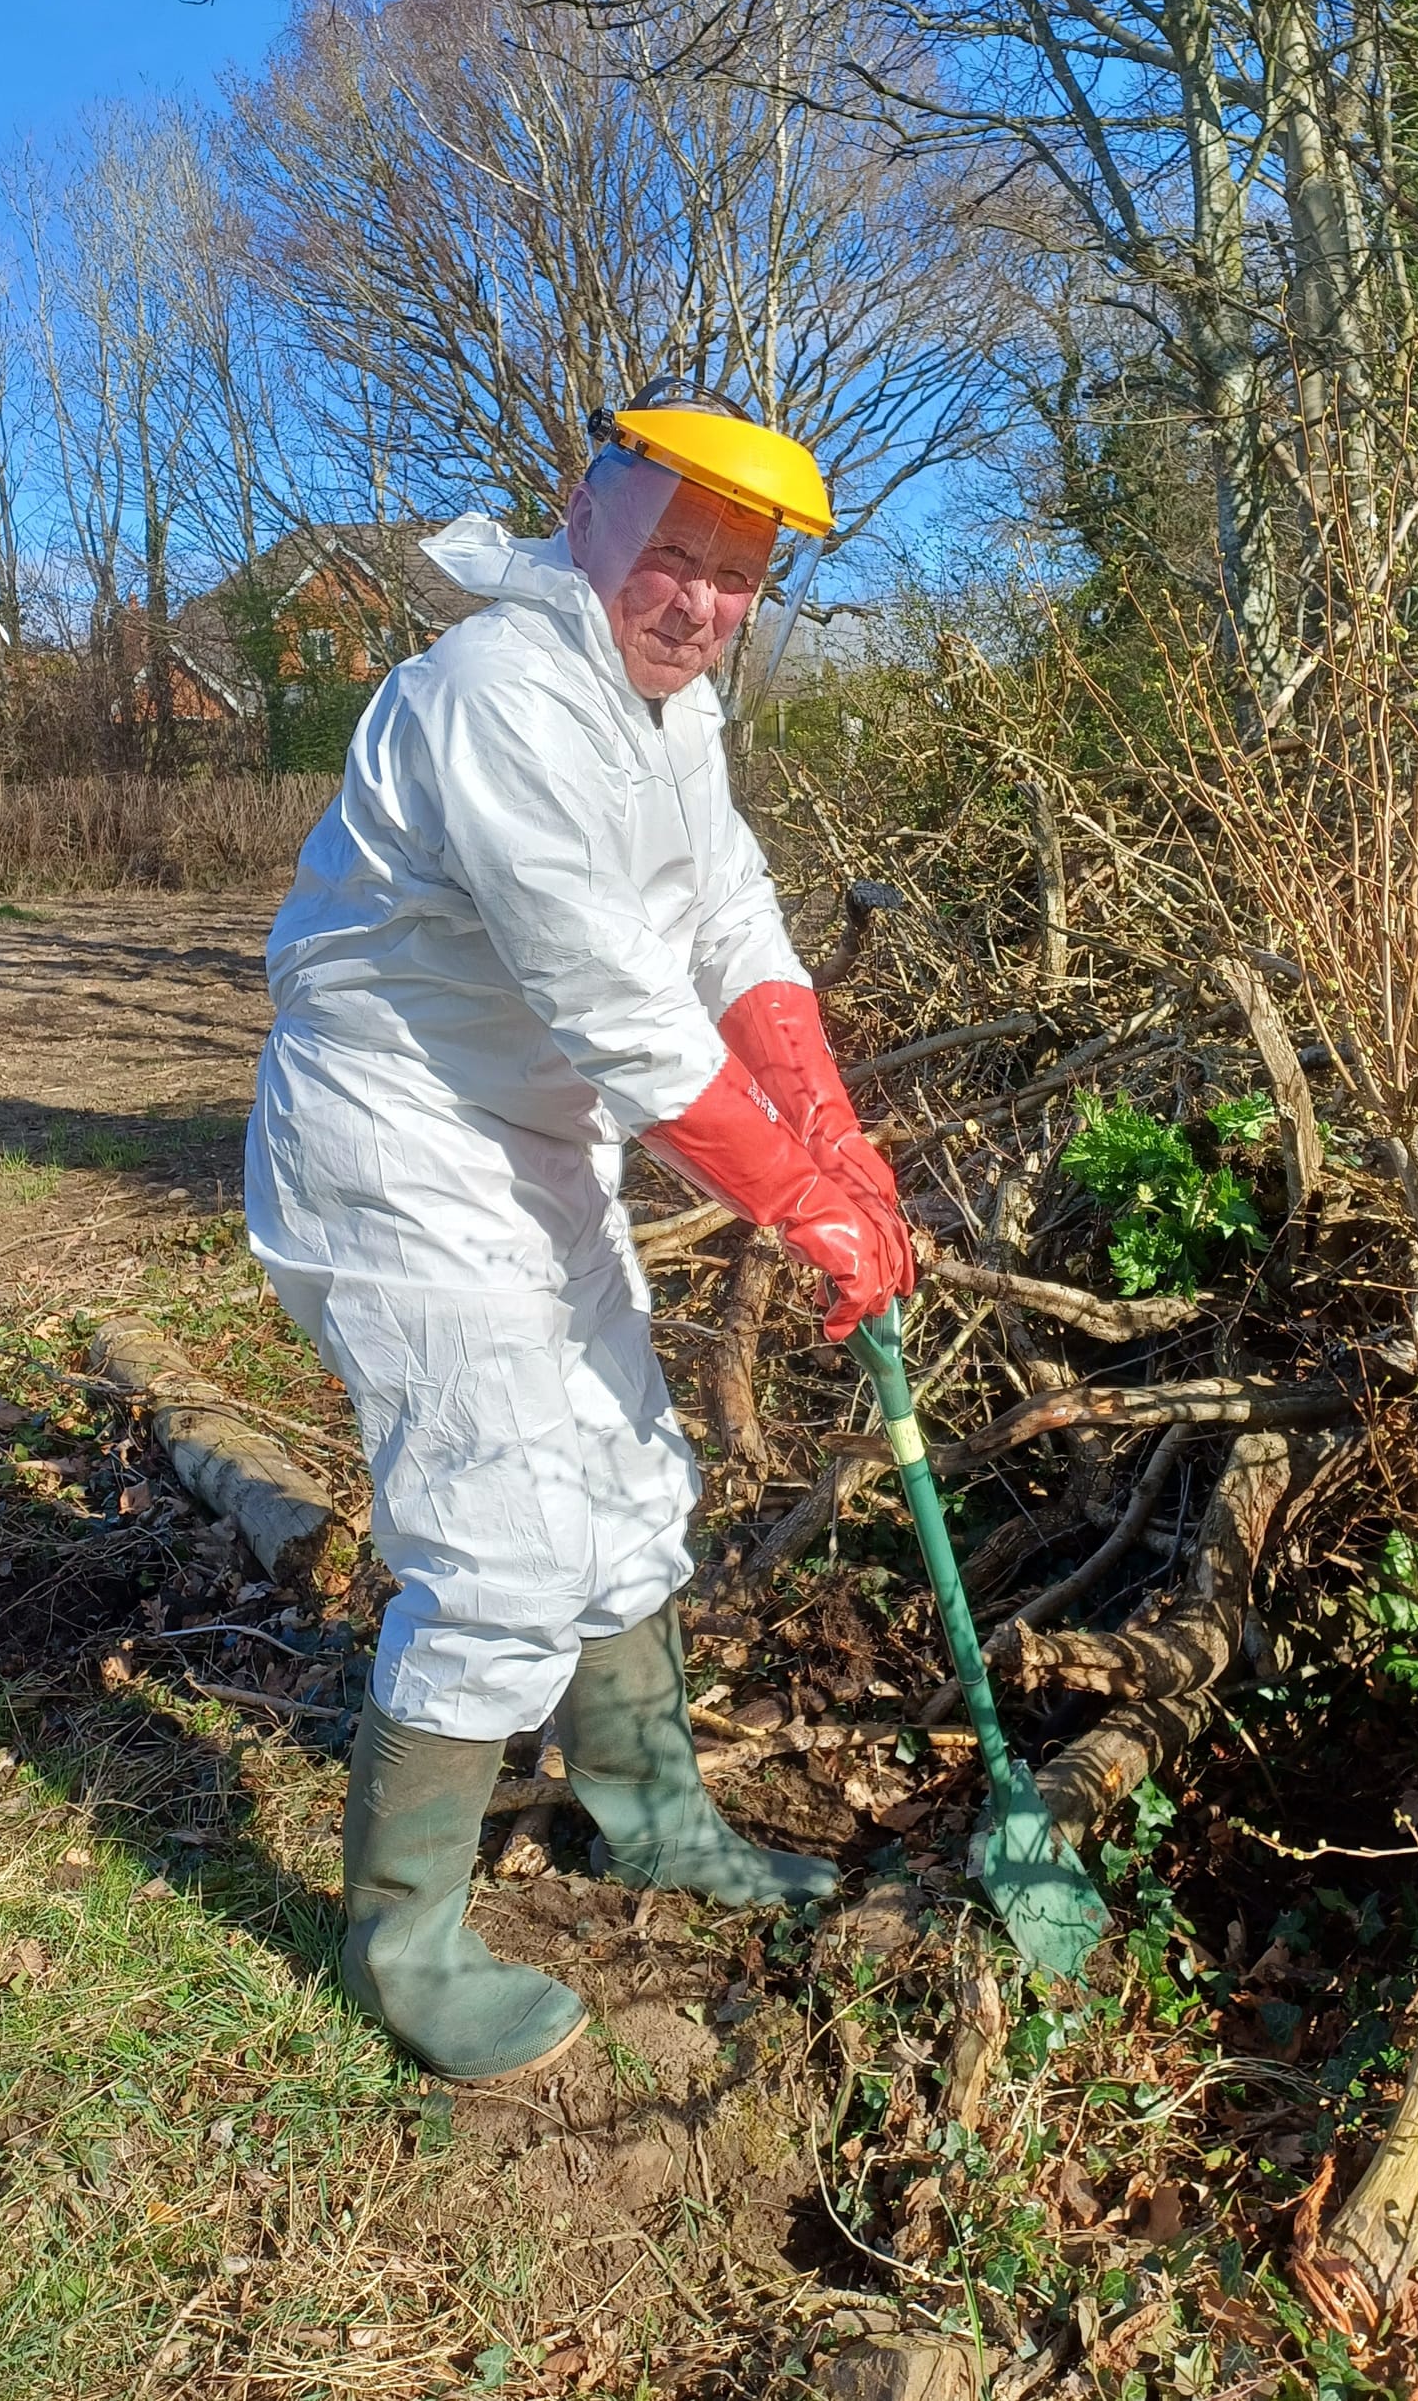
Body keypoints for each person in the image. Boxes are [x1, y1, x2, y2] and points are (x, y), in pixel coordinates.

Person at [245, 394, 913, 2083]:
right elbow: (624, 1008)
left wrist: (838, 1135)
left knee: (624, 1482)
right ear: (586, 514)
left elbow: (734, 928)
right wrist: (796, 1198)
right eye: (672, 555)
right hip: (397, 1151)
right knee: (506, 1545)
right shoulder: (498, 695)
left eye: (736, 578)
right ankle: (399, 1943)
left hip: (536, 1150)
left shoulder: (668, 718)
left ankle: (653, 1817)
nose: (695, 601)